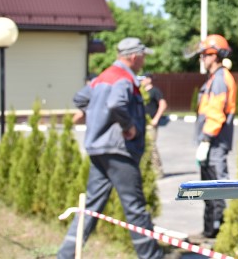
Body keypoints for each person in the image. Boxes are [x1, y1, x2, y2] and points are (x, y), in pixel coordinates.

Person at [57, 37, 163, 259]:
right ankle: (152, 257)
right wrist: (128, 125)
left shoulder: (103, 77)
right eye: (142, 57)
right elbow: (116, 104)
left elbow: (80, 98)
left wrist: (96, 115)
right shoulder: (124, 78)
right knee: (135, 208)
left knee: (90, 207)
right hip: (119, 151)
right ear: (133, 56)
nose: (144, 61)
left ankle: (65, 255)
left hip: (99, 150)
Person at [193, 34, 237, 239]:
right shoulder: (214, 78)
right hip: (211, 141)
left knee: (216, 188)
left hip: (215, 142)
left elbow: (217, 114)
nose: (202, 58)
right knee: (208, 188)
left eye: (205, 54)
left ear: (215, 55)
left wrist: (206, 140)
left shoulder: (220, 79)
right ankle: (209, 231)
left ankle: (217, 233)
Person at [140, 73, 168, 177]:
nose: (141, 81)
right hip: (142, 123)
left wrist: (156, 119)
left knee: (151, 147)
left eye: (143, 79)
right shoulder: (141, 91)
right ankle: (147, 171)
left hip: (151, 124)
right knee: (143, 147)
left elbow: (163, 104)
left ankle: (158, 171)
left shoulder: (155, 91)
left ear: (149, 79)